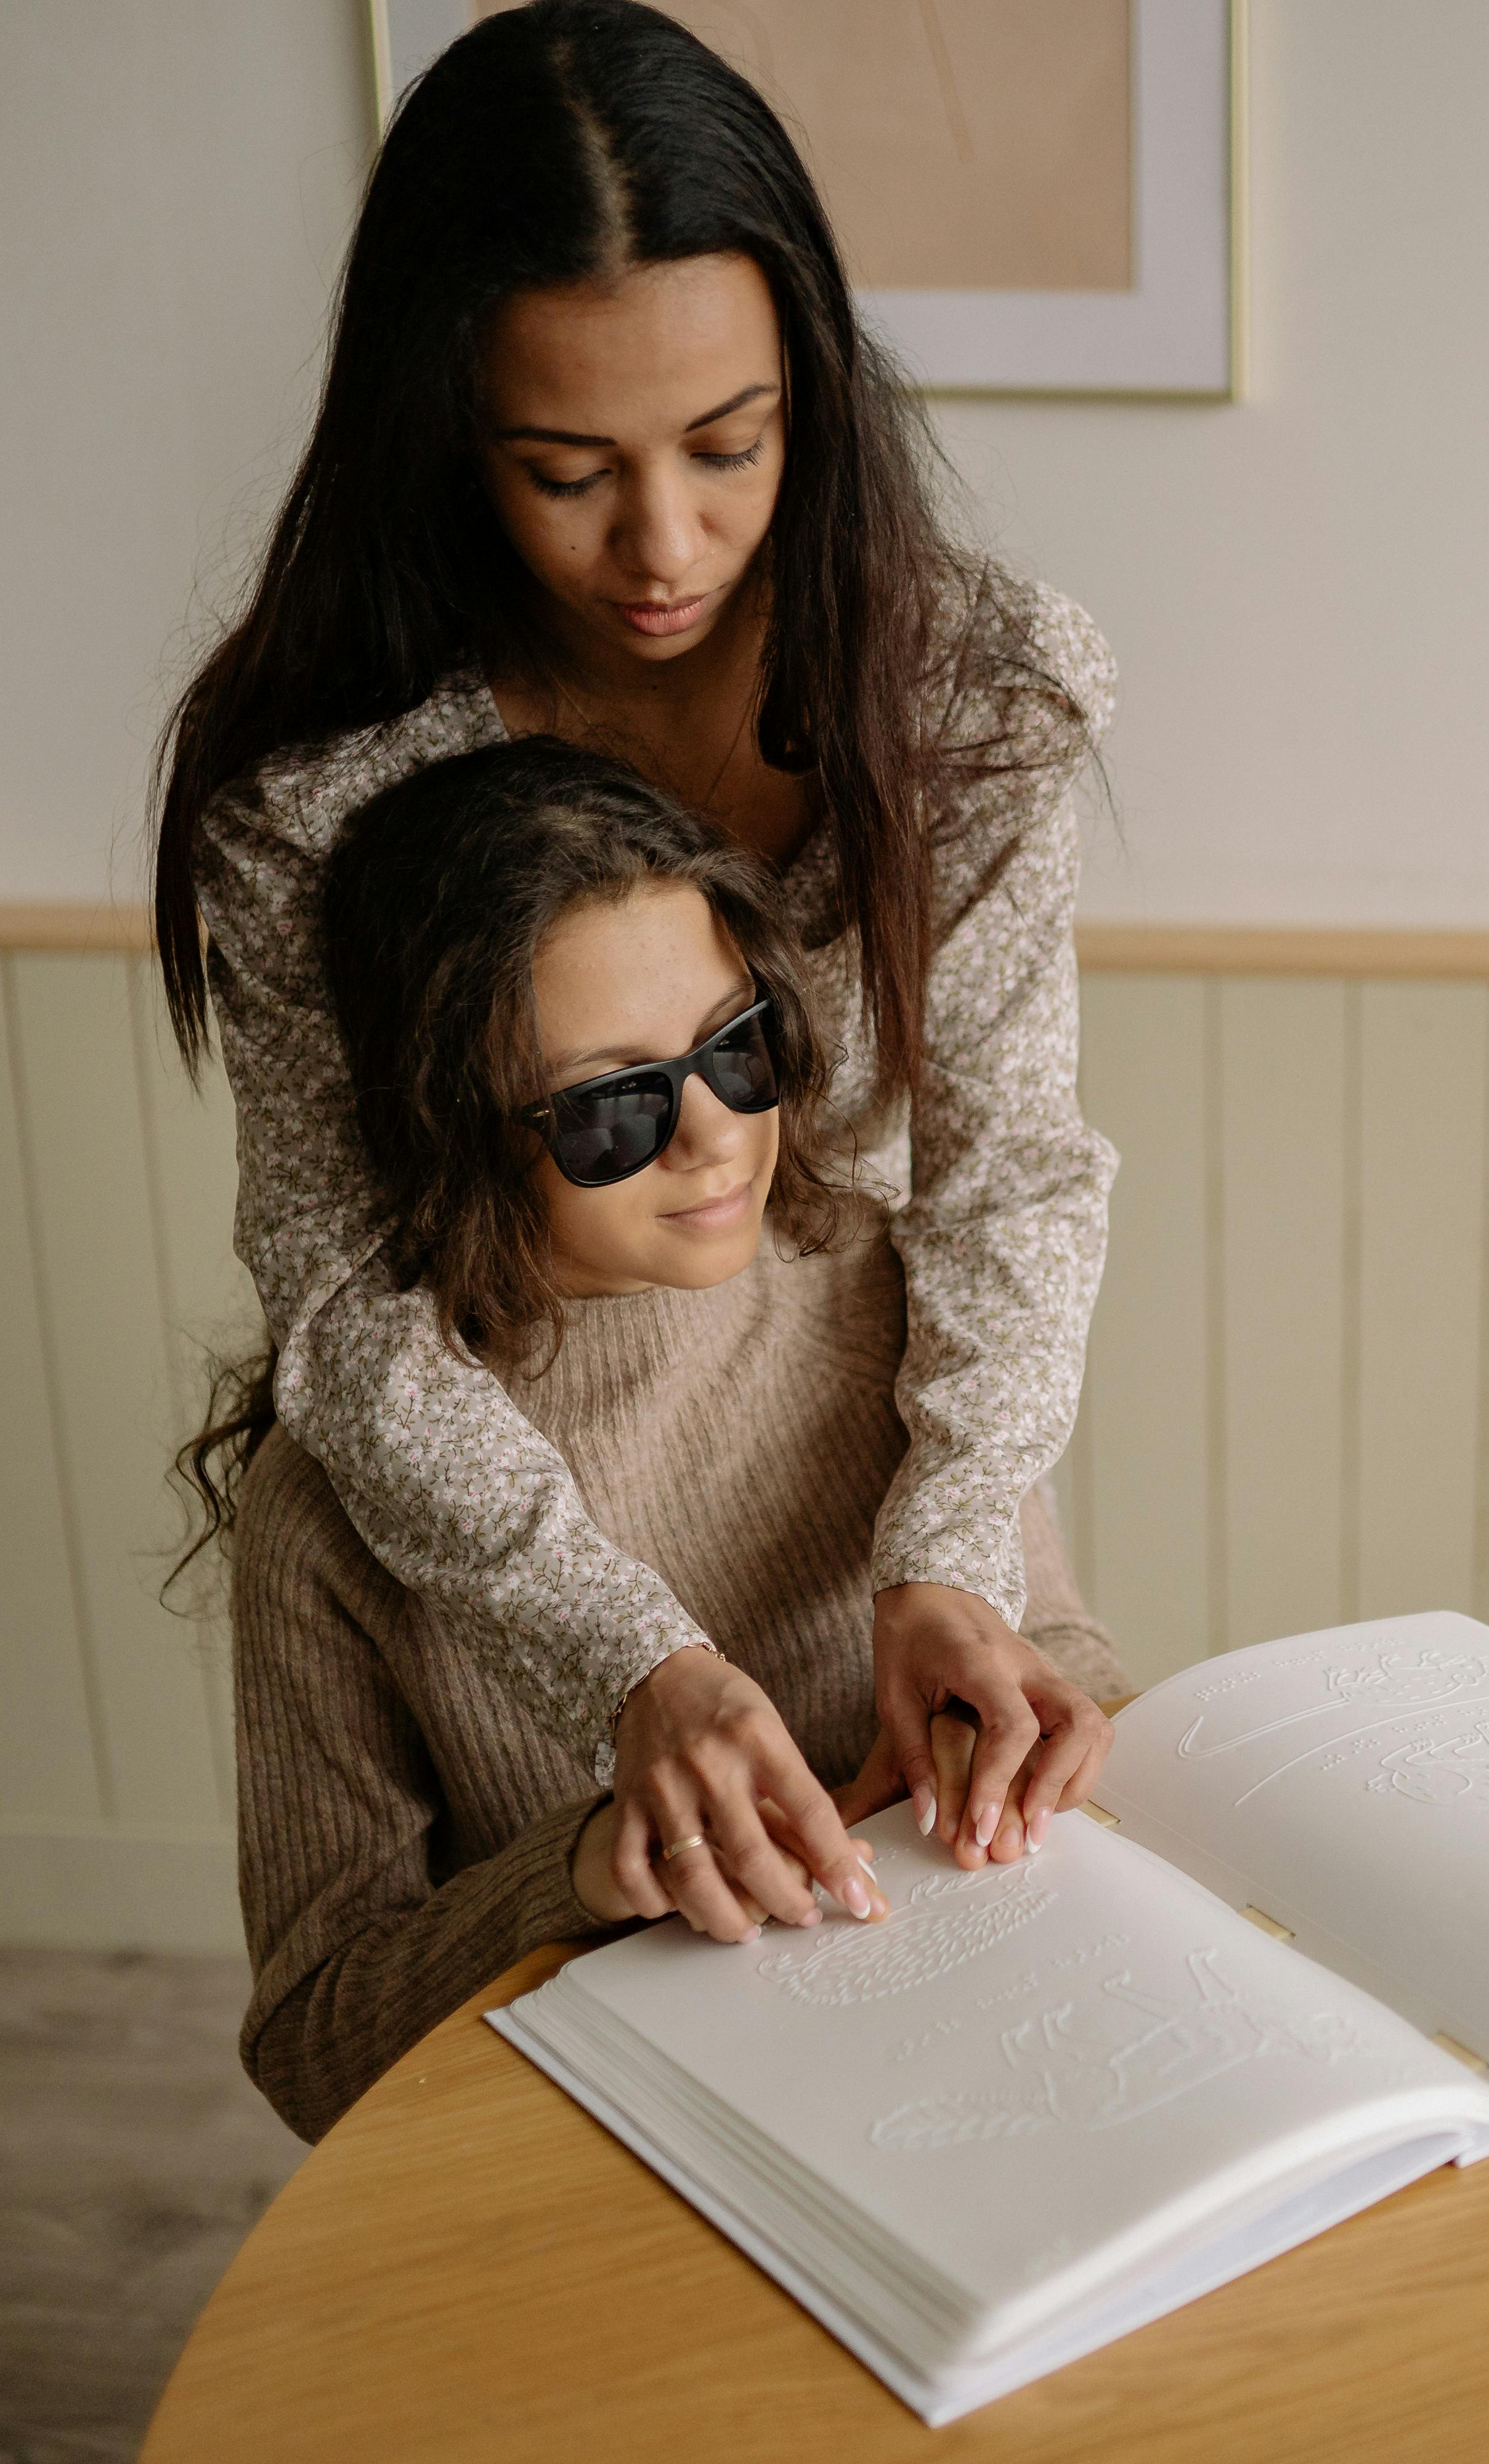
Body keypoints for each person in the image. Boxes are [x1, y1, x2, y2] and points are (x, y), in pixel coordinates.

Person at [148, 0, 1118, 1937]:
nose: (663, 544)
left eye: (728, 446)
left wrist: (952, 1559)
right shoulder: (324, 802)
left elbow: (1013, 1171)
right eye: (564, 467)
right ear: (447, 434)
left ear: (813, 402)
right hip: (522, 1550)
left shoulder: (967, 702)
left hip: (863, 1458)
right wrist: (629, 1664)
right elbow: (347, 1302)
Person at [192, 738, 1122, 2140]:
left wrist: (1036, 1722)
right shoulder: (337, 1502)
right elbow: (317, 2049)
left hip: (982, 2064)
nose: (716, 1135)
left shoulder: (887, 1302)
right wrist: (579, 1874)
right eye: (612, 1106)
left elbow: (1063, 1643)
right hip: (628, 2157)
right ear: (451, 1127)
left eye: (740, 1046)